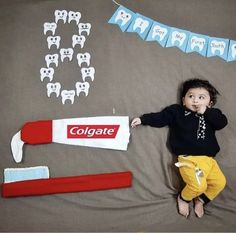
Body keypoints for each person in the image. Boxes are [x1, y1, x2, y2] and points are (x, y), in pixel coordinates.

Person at [131, 78, 228, 218]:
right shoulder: (177, 112)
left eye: (201, 97)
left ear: (210, 103)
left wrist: (206, 111)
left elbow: (222, 123)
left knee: (219, 183)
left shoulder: (213, 115)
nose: (195, 101)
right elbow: (161, 118)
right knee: (198, 186)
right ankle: (184, 198)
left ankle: (200, 200)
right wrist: (143, 119)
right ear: (183, 100)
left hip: (210, 161)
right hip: (189, 160)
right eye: (191, 96)